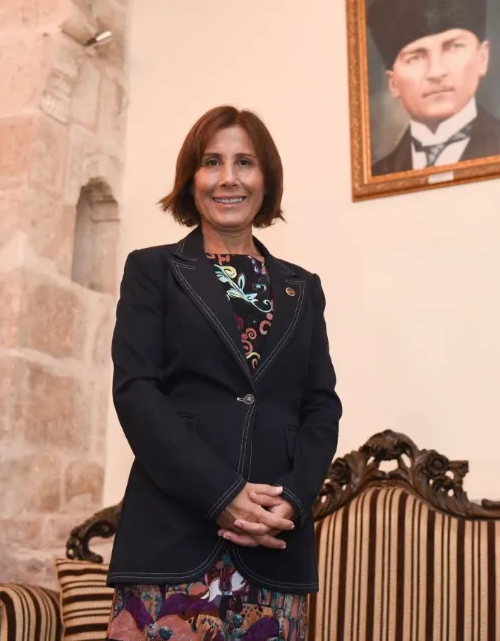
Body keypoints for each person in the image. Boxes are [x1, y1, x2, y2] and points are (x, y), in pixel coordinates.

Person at [104, 105, 342, 641]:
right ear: (191, 180)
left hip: (273, 548)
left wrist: (292, 500)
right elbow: (137, 392)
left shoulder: (303, 287)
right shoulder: (152, 270)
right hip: (171, 542)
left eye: (245, 163)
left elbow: (321, 406)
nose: (228, 178)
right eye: (212, 162)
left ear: (266, 179)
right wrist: (222, 494)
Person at [366, 0, 500, 176]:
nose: (436, 72)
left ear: (482, 57)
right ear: (393, 83)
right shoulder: (379, 175)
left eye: (454, 47)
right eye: (415, 58)